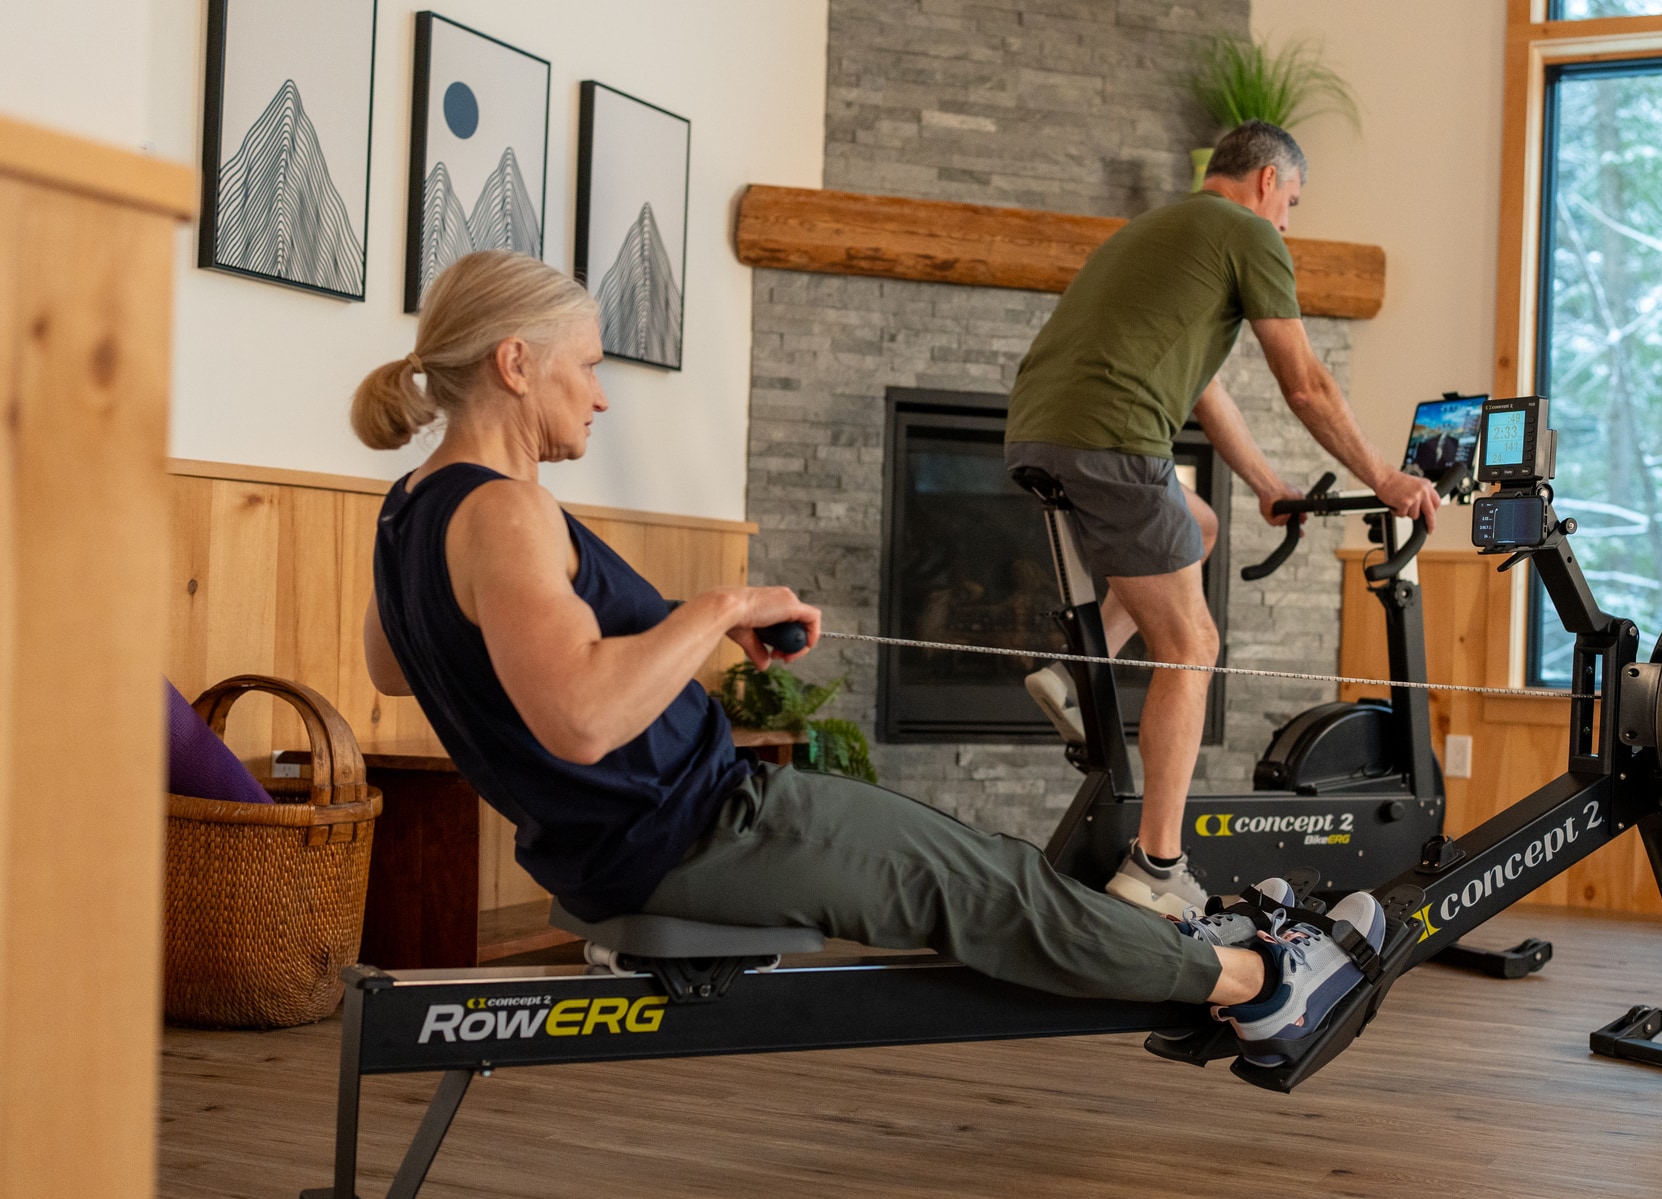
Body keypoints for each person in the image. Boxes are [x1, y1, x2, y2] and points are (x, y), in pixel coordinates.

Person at [350, 250, 1387, 1068]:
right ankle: (1258, 980)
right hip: (701, 828)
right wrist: (719, 605)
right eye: (588, 365)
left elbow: (408, 669)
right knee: (995, 889)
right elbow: (576, 717)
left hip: (628, 833)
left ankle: (1215, 954)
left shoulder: (413, 508)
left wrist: (699, 639)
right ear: (515, 362)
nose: (602, 394)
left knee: (981, 874)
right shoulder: (507, 511)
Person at [1005, 119, 1441, 914]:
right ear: (1269, 181)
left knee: (1197, 525)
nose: (1288, 224)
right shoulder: (1248, 233)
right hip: (1113, 440)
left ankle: (1071, 672)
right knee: (1192, 645)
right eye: (1294, 203)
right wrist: (1385, 476)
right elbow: (1306, 384)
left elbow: (1205, 390)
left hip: (1042, 430)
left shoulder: (1159, 233)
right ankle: (1158, 867)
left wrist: (1269, 483)